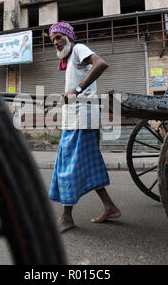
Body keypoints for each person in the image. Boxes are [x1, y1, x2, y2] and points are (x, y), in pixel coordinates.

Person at [47, 22, 121, 233]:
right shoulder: (70, 60)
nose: (56, 43)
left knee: (67, 165)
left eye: (59, 37)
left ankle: (66, 217)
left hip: (82, 119)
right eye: (53, 40)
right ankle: (110, 207)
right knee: (86, 164)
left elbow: (101, 64)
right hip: (76, 119)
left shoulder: (79, 49)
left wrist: (77, 90)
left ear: (69, 37)